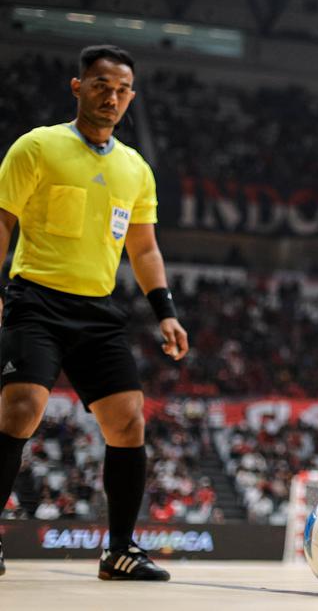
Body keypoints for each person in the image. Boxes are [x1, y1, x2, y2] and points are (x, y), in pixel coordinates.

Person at [0, 45, 189, 581]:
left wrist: (166, 312)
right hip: (35, 299)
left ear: (132, 97)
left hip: (97, 309)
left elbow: (144, 249)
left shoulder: (136, 168)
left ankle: (120, 551)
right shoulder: (37, 147)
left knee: (128, 420)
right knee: (20, 409)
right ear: (78, 86)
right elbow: (3, 222)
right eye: (102, 85)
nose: (112, 97)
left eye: (122, 89)